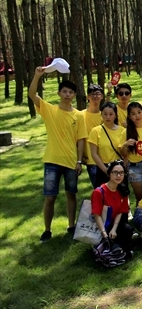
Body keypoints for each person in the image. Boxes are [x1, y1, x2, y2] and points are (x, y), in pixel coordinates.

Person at [29, 66, 87, 242]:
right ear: (59, 93)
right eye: (65, 91)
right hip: (52, 161)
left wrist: (79, 161)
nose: (67, 94)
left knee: (71, 194)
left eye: (71, 92)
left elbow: (81, 140)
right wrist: (37, 76)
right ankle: (47, 230)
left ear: (74, 95)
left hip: (71, 162)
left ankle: (71, 225)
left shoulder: (79, 116)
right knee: (50, 197)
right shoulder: (49, 110)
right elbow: (32, 94)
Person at [91, 160, 134, 256]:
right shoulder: (98, 192)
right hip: (100, 225)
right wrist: (104, 233)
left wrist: (114, 228)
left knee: (128, 229)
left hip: (114, 224)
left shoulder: (122, 191)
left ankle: (117, 248)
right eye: (115, 172)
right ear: (109, 174)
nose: (119, 175)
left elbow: (120, 211)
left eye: (121, 173)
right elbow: (97, 214)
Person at [89, 102, 125, 188]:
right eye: (105, 114)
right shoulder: (95, 131)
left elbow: (126, 153)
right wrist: (106, 171)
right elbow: (94, 153)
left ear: (115, 115)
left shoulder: (123, 131)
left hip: (119, 168)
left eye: (111, 114)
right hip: (103, 168)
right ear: (101, 115)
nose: (108, 117)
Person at [82, 84, 105, 188]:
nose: (95, 96)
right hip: (91, 160)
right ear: (88, 97)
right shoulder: (80, 115)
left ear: (102, 96)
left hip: (106, 158)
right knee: (99, 190)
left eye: (98, 94)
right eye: (92, 94)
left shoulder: (105, 116)